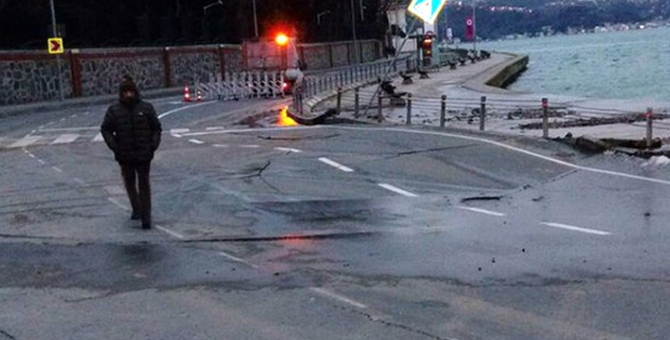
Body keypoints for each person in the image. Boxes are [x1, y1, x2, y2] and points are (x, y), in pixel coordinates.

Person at [101, 76, 162, 229]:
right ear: (121, 94)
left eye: (130, 92)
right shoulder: (114, 110)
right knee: (129, 183)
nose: (128, 95)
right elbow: (106, 129)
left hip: (143, 153)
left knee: (144, 184)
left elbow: (156, 128)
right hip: (124, 154)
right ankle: (136, 208)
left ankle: (146, 216)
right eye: (125, 92)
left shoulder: (146, 108)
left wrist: (153, 145)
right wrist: (115, 146)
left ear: (135, 92)